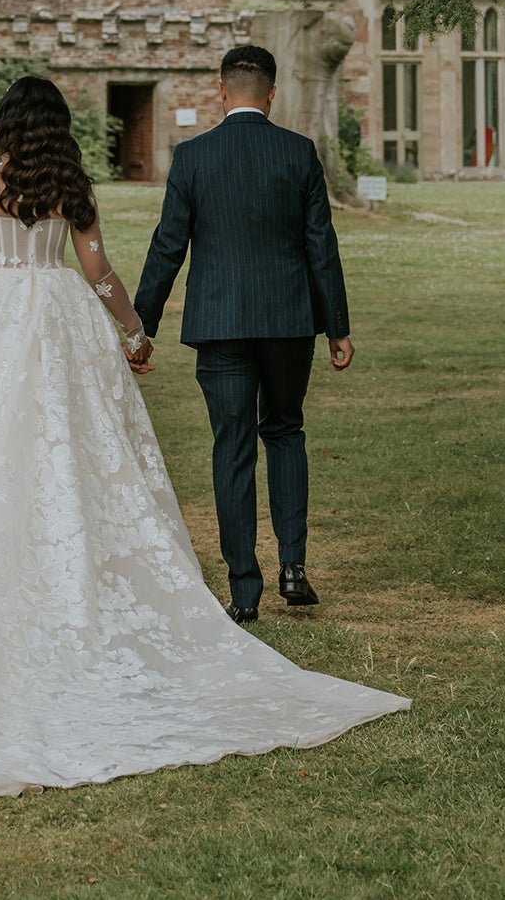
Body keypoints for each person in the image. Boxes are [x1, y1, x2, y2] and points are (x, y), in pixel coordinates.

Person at [0, 74, 406, 794]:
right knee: (72, 447)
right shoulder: (70, 182)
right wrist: (134, 328)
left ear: (4, 121)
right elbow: (98, 269)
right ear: (57, 126)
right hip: (57, 312)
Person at [133, 44, 352, 625]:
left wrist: (141, 326)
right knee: (284, 430)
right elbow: (320, 245)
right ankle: (294, 568)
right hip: (288, 323)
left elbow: (167, 245)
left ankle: (244, 591)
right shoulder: (298, 153)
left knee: (231, 447)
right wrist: (337, 326)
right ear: (272, 93)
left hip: (221, 323)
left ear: (222, 90)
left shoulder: (193, 157)